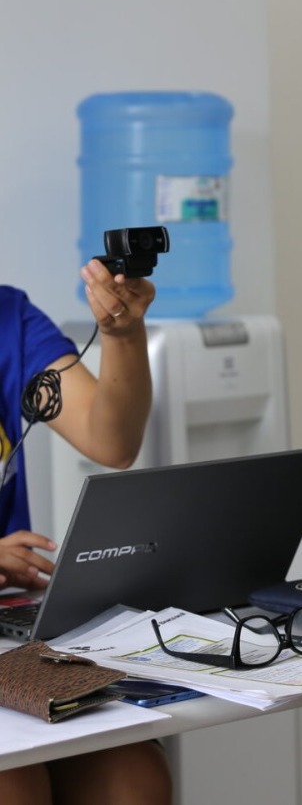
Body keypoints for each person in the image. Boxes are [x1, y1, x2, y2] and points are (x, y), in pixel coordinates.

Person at [0, 258, 172, 804]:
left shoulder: (7, 318)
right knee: (11, 781)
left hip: (9, 640)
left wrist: (122, 334)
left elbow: (112, 441)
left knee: (132, 775)